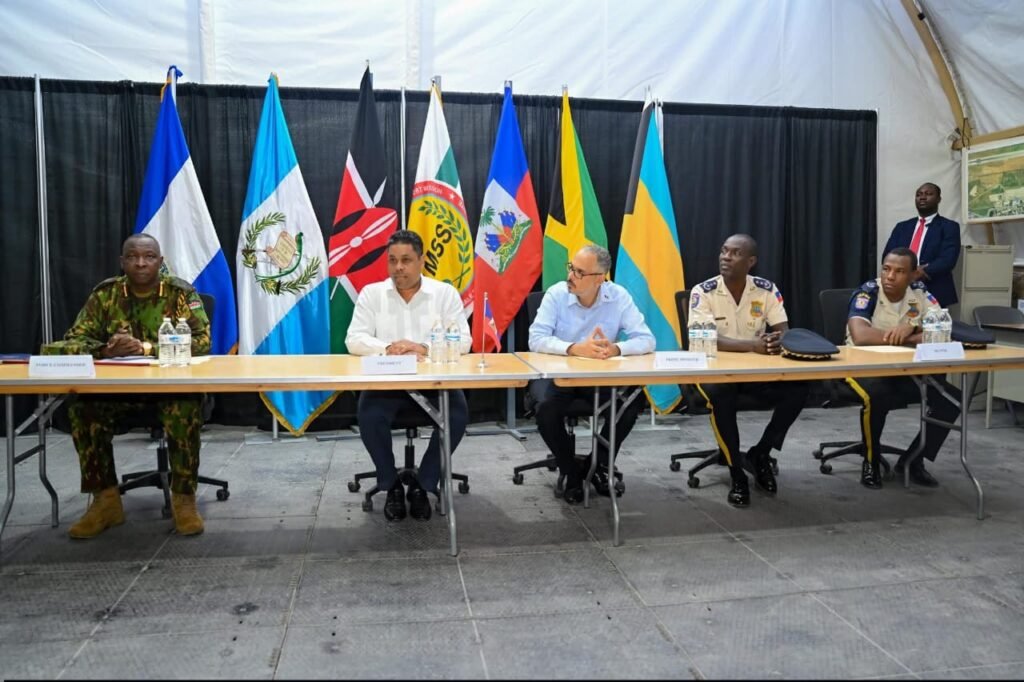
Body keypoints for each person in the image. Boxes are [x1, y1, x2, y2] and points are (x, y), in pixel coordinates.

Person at [41, 233, 210, 538]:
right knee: (82, 408)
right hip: (117, 393)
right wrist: (105, 351)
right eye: (133, 257)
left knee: (185, 404)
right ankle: (105, 501)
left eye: (149, 257)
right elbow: (71, 341)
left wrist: (147, 348)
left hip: (169, 391)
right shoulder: (105, 295)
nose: (141, 263)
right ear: (122, 262)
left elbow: (203, 341)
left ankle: (184, 499)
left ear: (160, 261)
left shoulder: (179, 293)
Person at [346, 230, 470, 522]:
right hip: (386, 384)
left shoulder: (444, 294)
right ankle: (390, 485)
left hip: (433, 385)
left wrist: (423, 347)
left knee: (457, 414)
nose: (398, 267)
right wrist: (389, 348)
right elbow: (354, 339)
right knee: (369, 414)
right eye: (392, 260)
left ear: (421, 261)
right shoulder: (372, 294)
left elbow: (464, 341)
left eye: (406, 260)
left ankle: (423, 484)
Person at [528, 244, 655, 505]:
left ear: (599, 279)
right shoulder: (556, 294)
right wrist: (574, 348)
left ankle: (598, 464)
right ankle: (571, 472)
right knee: (546, 409)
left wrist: (616, 349)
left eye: (579, 272)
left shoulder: (618, 296)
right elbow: (536, 339)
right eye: (571, 268)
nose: (571, 276)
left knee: (632, 400)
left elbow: (646, 339)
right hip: (559, 375)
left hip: (599, 375)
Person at [689, 234, 808, 508]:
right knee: (721, 395)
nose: (726, 257)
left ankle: (761, 453)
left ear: (750, 261)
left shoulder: (766, 290)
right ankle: (736, 473)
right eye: (724, 251)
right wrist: (753, 346)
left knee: (799, 388)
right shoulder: (703, 292)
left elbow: (783, 331)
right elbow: (702, 338)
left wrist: (776, 340)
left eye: (735, 253)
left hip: (757, 373)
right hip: (716, 374)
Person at [845, 246, 961, 489]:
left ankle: (913, 460)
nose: (890, 276)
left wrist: (912, 327)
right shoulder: (868, 292)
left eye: (899, 271)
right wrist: (912, 336)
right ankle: (871, 461)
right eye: (886, 269)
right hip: (863, 367)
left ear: (913, 274)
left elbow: (943, 329)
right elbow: (861, 336)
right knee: (877, 395)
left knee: (950, 400)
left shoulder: (920, 293)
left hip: (905, 369)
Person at [882, 182, 961, 308]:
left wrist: (921, 271)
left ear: (939, 199)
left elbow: (948, 259)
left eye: (928, 194)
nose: (922, 197)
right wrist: (903, 272)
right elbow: (888, 255)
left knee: (930, 322)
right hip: (901, 289)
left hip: (934, 290)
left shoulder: (949, 227)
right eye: (919, 195)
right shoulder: (902, 227)